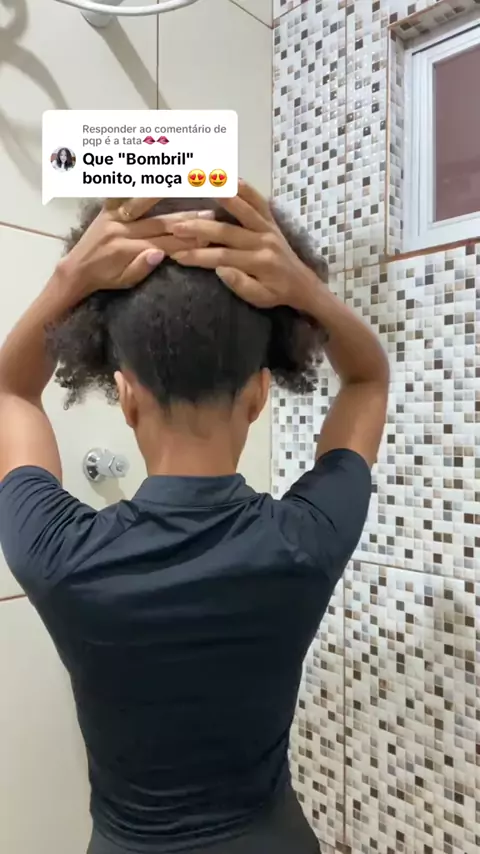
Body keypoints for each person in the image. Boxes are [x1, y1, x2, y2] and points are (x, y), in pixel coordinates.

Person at [0, 184, 389, 854]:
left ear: (125, 397)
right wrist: (307, 291)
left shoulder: (57, 556)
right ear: (260, 395)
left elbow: (11, 390)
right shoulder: (305, 540)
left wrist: (70, 279)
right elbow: (368, 380)